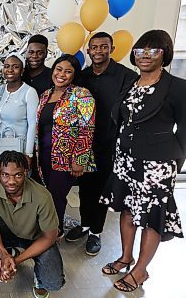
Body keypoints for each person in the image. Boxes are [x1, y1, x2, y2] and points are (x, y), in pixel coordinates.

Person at [100, 30, 186, 292]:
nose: (145, 56)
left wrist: (173, 166)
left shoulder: (179, 87)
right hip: (126, 161)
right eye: (140, 50)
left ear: (165, 54)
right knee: (128, 209)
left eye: (153, 50)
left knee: (152, 216)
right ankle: (125, 257)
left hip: (158, 165)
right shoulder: (131, 83)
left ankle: (140, 271)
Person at [66, 32, 138, 255]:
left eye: (103, 47)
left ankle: (96, 232)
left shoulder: (126, 76)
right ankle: (85, 225)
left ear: (112, 49)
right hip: (84, 143)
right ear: (88, 51)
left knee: (101, 190)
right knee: (85, 188)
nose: (98, 51)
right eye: (94, 47)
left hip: (109, 144)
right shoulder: (83, 76)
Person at [0, 151, 65, 298]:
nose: (11, 181)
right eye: (5, 175)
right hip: (8, 229)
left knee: (53, 283)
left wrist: (16, 261)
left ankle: (35, 272)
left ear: (26, 172)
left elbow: (50, 237)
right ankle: (10, 254)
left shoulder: (43, 196)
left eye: (17, 175)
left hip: (37, 237)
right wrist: (3, 254)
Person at [36, 54, 96, 239]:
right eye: (58, 69)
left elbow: (88, 128)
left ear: (74, 75)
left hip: (66, 157)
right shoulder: (45, 94)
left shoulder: (81, 94)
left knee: (56, 196)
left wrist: (80, 160)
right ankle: (47, 228)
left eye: (68, 71)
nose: (61, 74)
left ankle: (55, 231)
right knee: (45, 194)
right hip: (43, 154)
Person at [0, 53, 39, 167]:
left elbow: (33, 124)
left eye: (15, 67)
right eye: (6, 66)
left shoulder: (29, 92)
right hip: (1, 146)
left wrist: (28, 153)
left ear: (22, 70)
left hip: (20, 147)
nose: (10, 70)